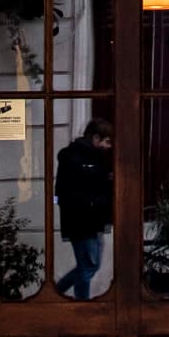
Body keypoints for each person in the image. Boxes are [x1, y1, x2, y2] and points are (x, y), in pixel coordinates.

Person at [54, 115, 113, 300]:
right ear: (95, 138)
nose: (108, 146)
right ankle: (81, 306)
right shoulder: (75, 157)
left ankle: (58, 294)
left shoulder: (94, 158)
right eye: (107, 141)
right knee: (88, 266)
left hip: (90, 219)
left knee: (88, 266)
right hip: (82, 220)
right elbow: (66, 191)